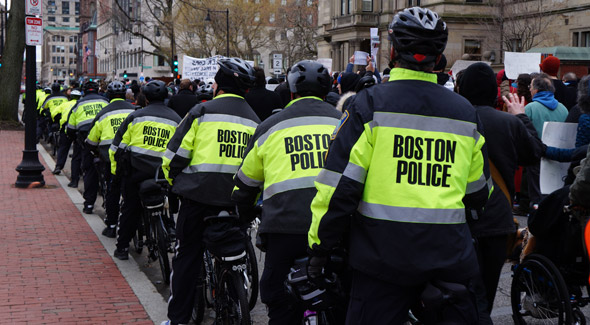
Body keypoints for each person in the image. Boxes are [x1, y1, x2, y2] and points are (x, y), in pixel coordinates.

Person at [306, 7, 491, 323]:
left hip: (382, 259)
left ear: (392, 51)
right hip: (449, 255)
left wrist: (320, 247)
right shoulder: (464, 112)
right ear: (438, 56)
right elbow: (478, 193)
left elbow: (339, 187)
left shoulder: (369, 105)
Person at [233, 60, 341, 324]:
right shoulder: (344, 122)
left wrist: (245, 210)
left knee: (277, 296)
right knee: (340, 294)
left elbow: (245, 184)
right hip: (334, 228)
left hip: (284, 228)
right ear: (327, 92)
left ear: (290, 92)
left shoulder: (271, 126)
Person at [160, 58, 259, 325]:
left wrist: (174, 183)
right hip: (236, 201)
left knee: (186, 257)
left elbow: (173, 157)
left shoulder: (201, 112)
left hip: (197, 198)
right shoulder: (255, 121)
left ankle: (177, 319)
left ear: (219, 86)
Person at [458, 62, 545, 322]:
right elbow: (534, 153)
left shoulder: (453, 120)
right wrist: (520, 116)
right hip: (497, 218)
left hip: (456, 218)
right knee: (485, 290)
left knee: (459, 294)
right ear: (494, 93)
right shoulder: (509, 122)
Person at [110, 80, 181, 260]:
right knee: (169, 198)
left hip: (137, 172)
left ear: (145, 98)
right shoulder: (176, 119)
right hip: (163, 174)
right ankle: (170, 227)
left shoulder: (136, 117)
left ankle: (122, 248)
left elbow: (116, 148)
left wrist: (115, 171)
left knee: (129, 208)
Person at [86, 81, 136, 238]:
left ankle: (112, 225)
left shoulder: (103, 113)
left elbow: (92, 140)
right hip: (131, 158)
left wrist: (95, 151)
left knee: (112, 191)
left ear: (108, 94)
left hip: (110, 159)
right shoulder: (135, 110)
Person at [523, 73, 568, 210]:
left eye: (530, 87)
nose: (529, 90)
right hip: (558, 156)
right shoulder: (563, 108)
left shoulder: (530, 108)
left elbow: (521, 133)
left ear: (536, 90)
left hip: (536, 157)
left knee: (536, 196)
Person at [66, 81, 110, 212]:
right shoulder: (105, 102)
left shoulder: (78, 104)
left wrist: (74, 139)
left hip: (86, 141)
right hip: (103, 140)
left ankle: (89, 204)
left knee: (89, 171)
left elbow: (70, 128)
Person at [51, 89, 82, 176]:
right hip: (78, 130)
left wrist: (56, 121)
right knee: (78, 151)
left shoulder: (64, 104)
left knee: (63, 148)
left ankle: (58, 167)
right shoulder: (81, 105)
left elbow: (54, 113)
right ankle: (79, 170)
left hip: (65, 129)